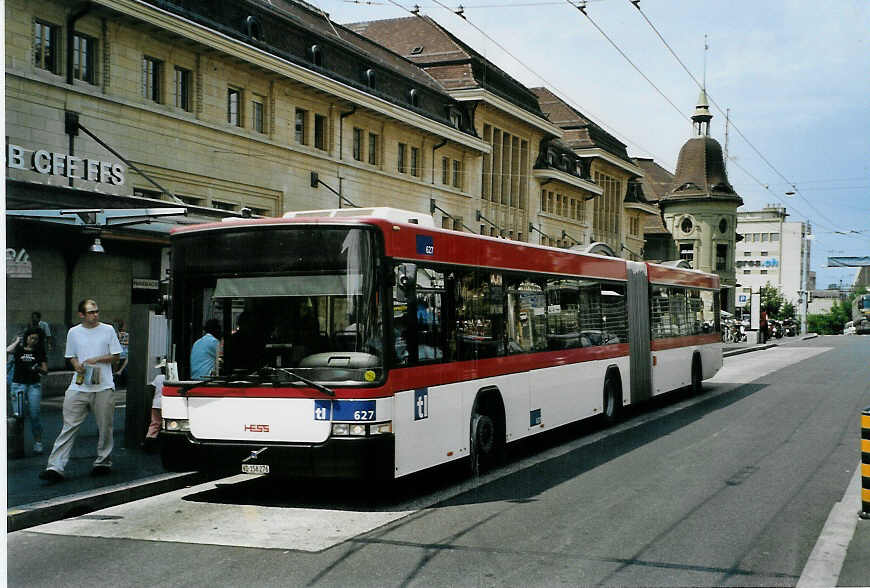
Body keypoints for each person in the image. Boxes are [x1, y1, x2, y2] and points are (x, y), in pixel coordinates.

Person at [39, 299, 122, 483]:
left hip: (103, 386)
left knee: (105, 427)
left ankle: (103, 462)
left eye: (96, 311)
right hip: (79, 385)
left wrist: (96, 359)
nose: (95, 315)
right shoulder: (74, 332)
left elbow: (116, 356)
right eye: (91, 312)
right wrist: (77, 366)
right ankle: (55, 467)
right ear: (81, 315)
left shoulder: (107, 330)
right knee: (69, 426)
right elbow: (71, 356)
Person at [7, 328, 48, 455]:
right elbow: (7, 351)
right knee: (18, 415)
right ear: (26, 337)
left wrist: (38, 368)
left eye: (36, 339)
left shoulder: (39, 351)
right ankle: (17, 446)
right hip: (18, 385)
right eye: (31, 338)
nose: (33, 341)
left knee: (34, 415)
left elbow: (45, 371)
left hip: (33, 386)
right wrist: (18, 340)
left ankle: (38, 442)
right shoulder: (18, 349)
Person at [143, 358, 166, 452]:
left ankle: (148, 444)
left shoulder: (158, 377)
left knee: (154, 424)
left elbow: (152, 389)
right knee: (165, 425)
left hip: (156, 403)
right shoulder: (172, 377)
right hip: (166, 404)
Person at [113, 319, 129, 387]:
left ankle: (116, 371)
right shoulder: (127, 334)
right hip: (123, 352)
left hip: (119, 352)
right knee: (127, 357)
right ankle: (119, 371)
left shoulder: (116, 334)